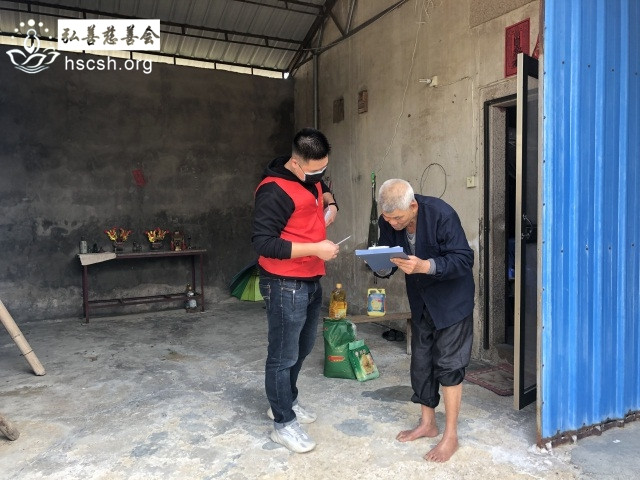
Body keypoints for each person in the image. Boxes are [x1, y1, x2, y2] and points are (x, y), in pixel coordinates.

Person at [252, 127, 340, 453]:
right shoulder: (273, 191)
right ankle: (283, 423)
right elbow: (264, 243)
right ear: (295, 162)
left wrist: (331, 205)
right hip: (283, 282)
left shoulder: (310, 178)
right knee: (283, 355)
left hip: (310, 278)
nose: (320, 176)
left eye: (324, 169)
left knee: (302, 349)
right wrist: (316, 248)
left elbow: (322, 189)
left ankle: (286, 400)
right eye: (315, 171)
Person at [375, 178, 474, 462]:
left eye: (398, 218)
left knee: (449, 365)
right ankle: (428, 424)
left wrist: (426, 265)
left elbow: (464, 259)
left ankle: (451, 435)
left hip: (452, 301)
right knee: (421, 363)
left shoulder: (442, 214)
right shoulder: (388, 220)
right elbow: (388, 256)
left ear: (413, 206)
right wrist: (380, 266)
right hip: (420, 300)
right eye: (388, 218)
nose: (393, 224)